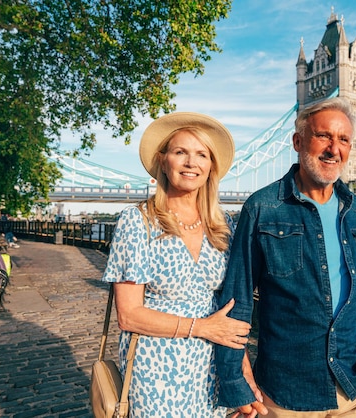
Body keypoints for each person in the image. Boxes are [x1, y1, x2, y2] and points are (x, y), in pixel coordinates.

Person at [215, 97, 356, 417]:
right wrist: (235, 380)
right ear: (298, 141)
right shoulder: (262, 208)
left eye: (344, 140)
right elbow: (235, 300)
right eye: (323, 136)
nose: (333, 148)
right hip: (288, 394)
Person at [101, 112, 251, 417]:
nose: (191, 163)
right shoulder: (138, 221)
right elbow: (129, 316)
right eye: (180, 152)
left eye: (201, 155)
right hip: (156, 369)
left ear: (211, 167)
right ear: (163, 161)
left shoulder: (223, 227)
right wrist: (203, 327)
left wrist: (242, 376)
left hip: (212, 368)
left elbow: (229, 312)